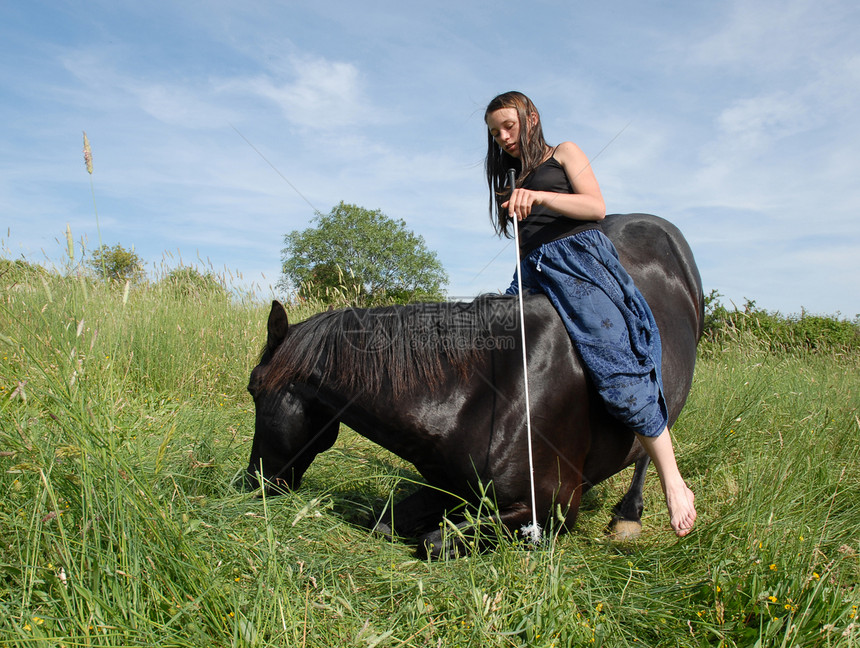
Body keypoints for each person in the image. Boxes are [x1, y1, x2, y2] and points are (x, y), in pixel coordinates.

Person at [484, 91, 696, 537]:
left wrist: (537, 196)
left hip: (578, 260)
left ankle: (673, 482)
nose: (503, 137)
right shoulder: (511, 173)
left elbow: (595, 207)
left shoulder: (565, 152)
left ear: (530, 116)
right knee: (496, 347)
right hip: (534, 269)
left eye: (508, 125)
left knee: (616, 363)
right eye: (495, 132)